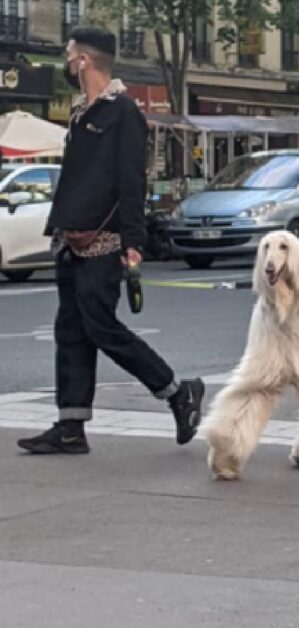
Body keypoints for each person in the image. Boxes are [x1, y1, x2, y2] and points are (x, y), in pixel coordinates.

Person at [17, 27, 204, 455]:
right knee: (71, 331)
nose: (66, 63)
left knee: (101, 328)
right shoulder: (83, 111)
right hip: (70, 238)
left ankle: (178, 392)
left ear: (84, 61)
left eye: (69, 56)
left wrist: (133, 241)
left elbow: (130, 179)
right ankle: (70, 427)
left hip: (102, 242)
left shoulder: (123, 112)